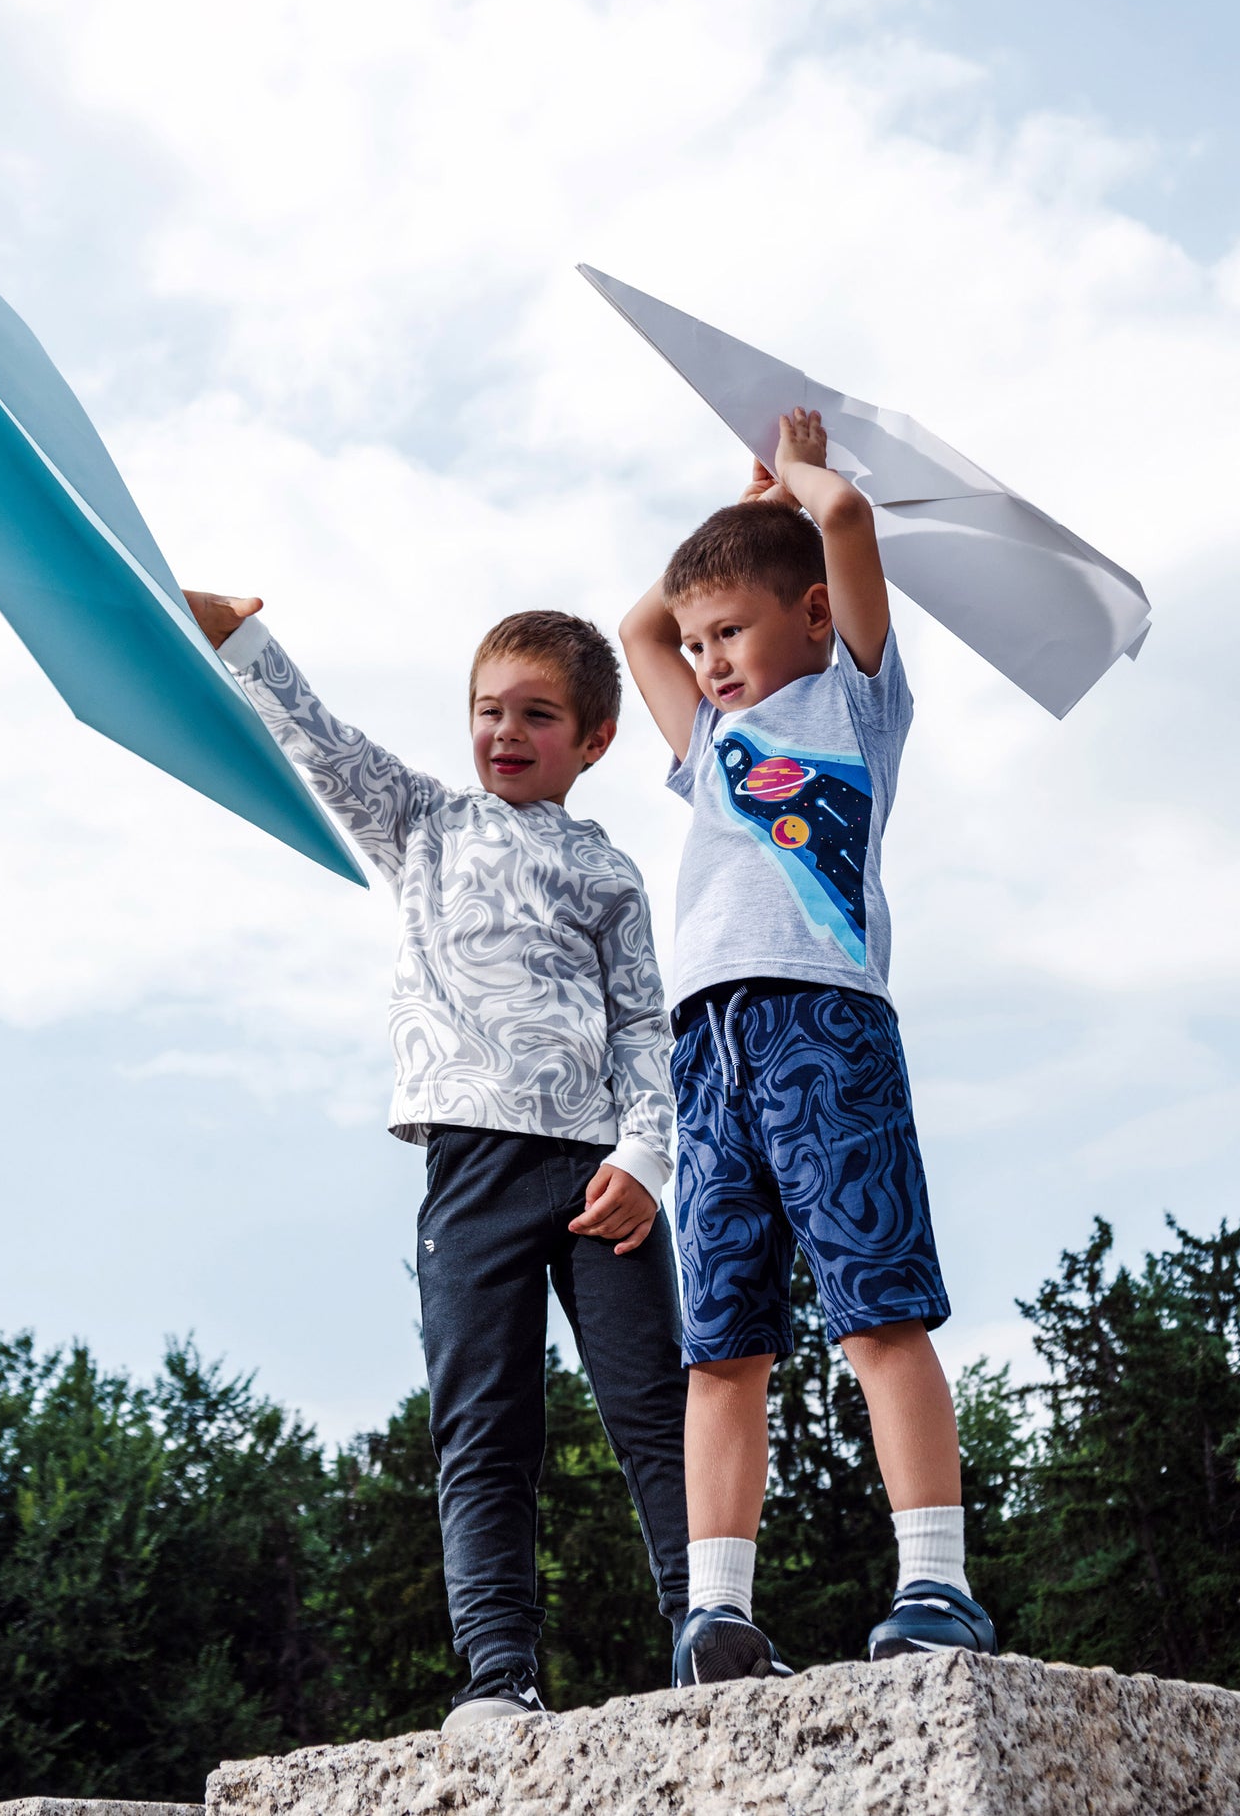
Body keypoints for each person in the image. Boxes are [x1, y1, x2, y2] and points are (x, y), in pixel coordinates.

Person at [184, 591, 689, 1727]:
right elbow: (322, 741)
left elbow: (648, 1028)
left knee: (652, 1404)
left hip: (600, 1178)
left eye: (536, 715)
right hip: (468, 1182)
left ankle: (706, 1627)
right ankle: (497, 1674)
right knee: (483, 1424)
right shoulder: (423, 824)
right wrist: (241, 640)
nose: (504, 733)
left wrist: (647, 1157)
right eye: (486, 711)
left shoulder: (608, 873)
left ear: (594, 739)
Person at [619, 407, 998, 1686]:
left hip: (820, 1026)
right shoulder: (709, 749)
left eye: (730, 632)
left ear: (812, 620)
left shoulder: (854, 705)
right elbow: (635, 629)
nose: (707, 658)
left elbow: (842, 521)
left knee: (875, 1310)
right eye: (700, 641)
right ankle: (714, 1614)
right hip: (706, 1045)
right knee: (720, 1342)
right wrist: (724, 526)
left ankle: (934, 1584)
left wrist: (786, 491)